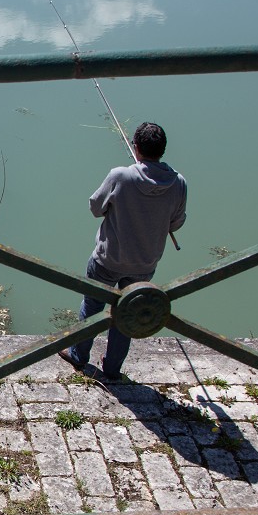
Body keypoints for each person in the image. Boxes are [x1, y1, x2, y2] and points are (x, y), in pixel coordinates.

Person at [60, 121, 186, 381]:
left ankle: (78, 356)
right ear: (162, 150)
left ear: (135, 147)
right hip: (144, 264)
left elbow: (95, 207)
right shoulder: (179, 183)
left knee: (92, 306)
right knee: (127, 314)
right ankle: (113, 369)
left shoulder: (121, 176)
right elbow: (176, 222)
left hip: (108, 259)